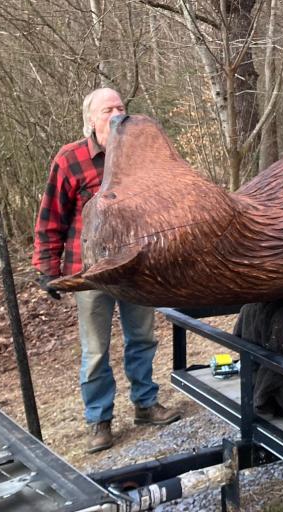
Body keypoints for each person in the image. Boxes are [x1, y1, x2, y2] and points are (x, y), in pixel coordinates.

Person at [33, 88, 180, 453]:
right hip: (91, 272)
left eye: (120, 107)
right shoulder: (71, 159)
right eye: (107, 110)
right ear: (90, 121)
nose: (116, 114)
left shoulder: (141, 155)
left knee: (143, 339)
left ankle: (146, 405)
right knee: (95, 350)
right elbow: (51, 217)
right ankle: (99, 420)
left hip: (136, 266)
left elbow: (161, 205)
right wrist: (47, 269)